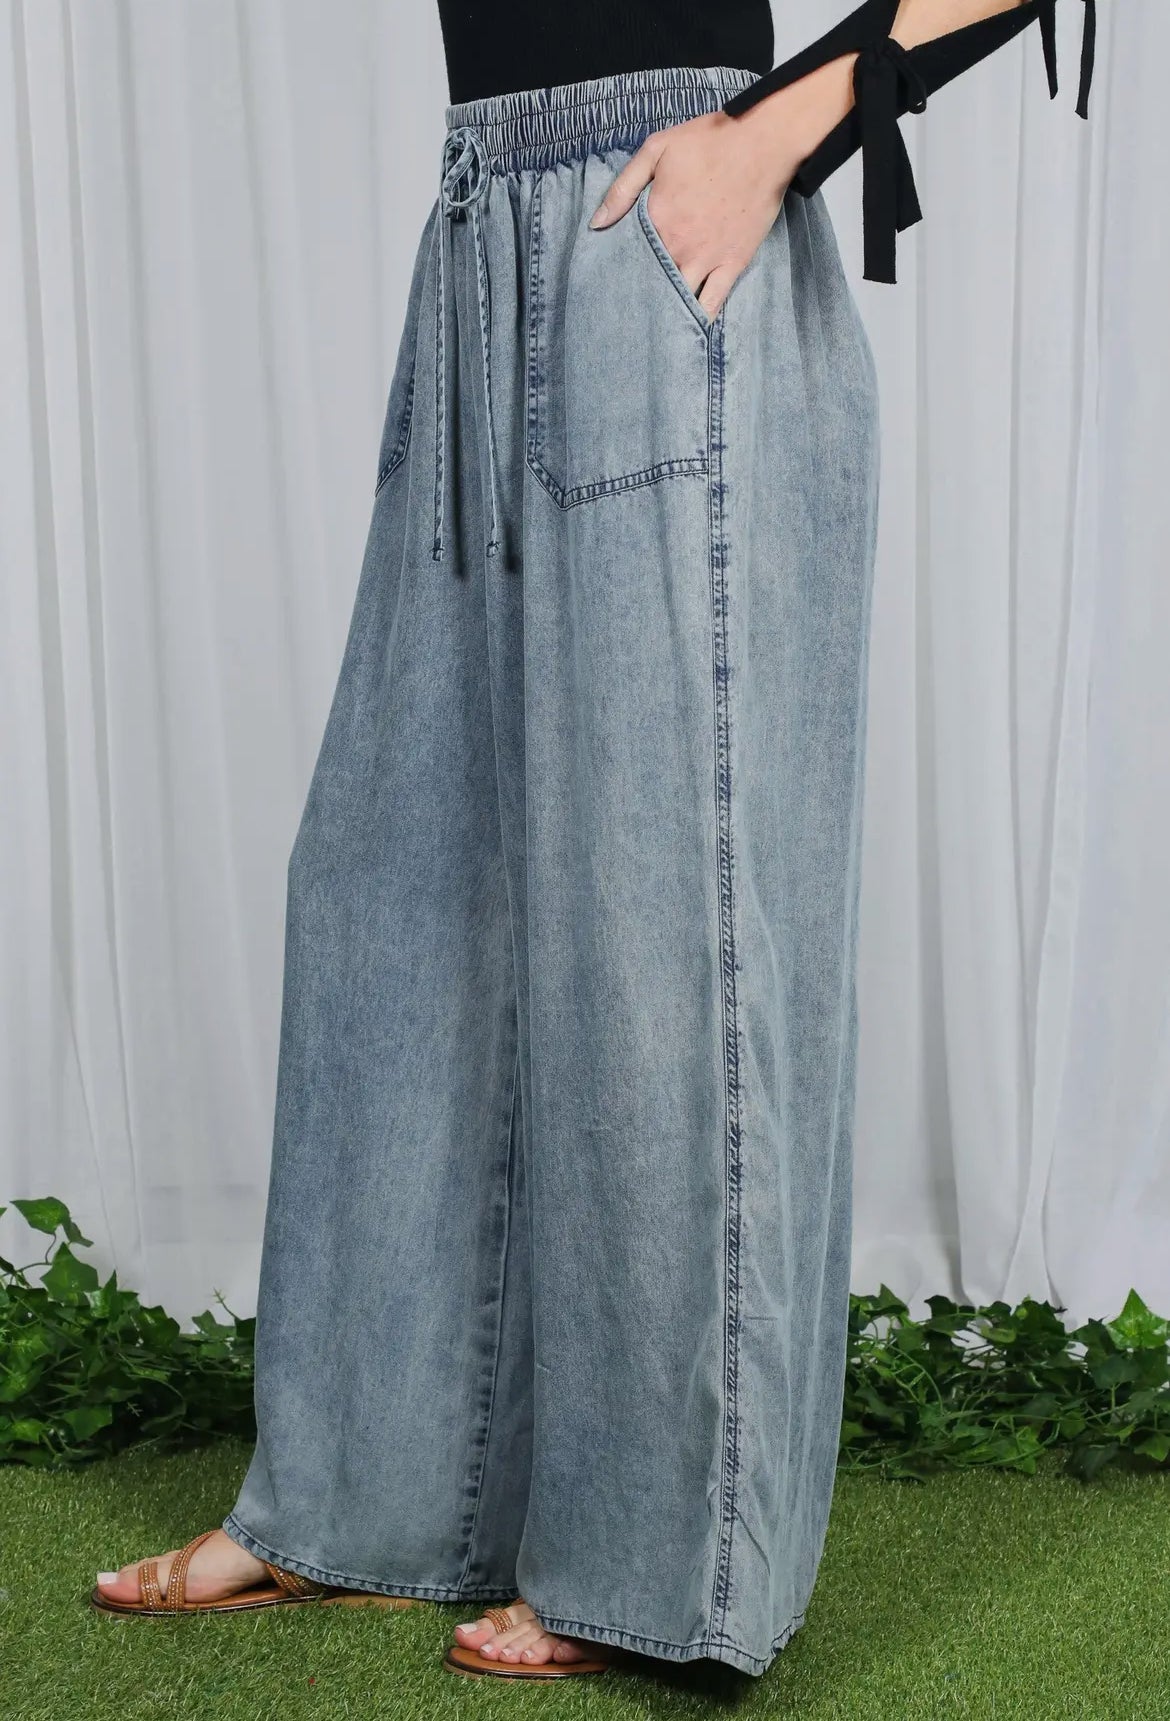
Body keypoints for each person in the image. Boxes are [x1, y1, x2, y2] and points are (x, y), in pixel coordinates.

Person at [92, 0, 1097, 1683]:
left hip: (667, 237)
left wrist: (772, 136)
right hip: (482, 232)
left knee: (662, 935)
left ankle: (656, 1570)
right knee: (395, 897)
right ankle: (357, 1499)